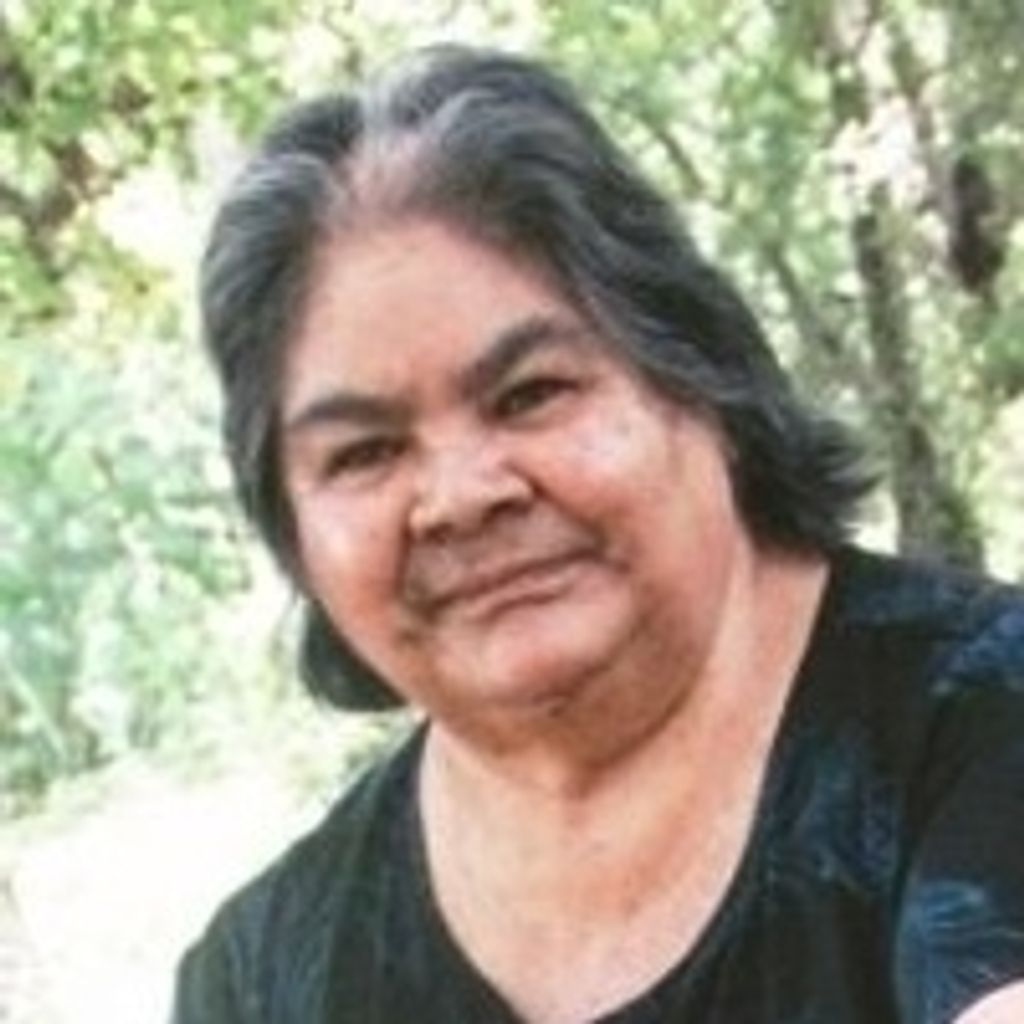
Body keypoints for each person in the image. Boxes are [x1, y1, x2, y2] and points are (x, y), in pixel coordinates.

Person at [172, 45, 1024, 1024]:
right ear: (294, 536)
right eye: (364, 453)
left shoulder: (982, 720)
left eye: (530, 393)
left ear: (702, 382)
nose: (460, 497)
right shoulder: (262, 976)